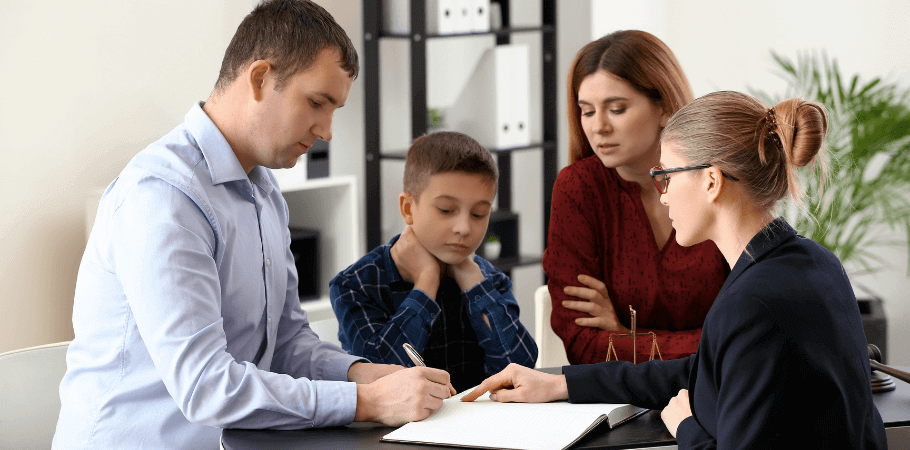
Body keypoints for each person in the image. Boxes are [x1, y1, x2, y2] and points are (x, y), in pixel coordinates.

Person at [53, 2, 452, 449]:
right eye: (317, 103)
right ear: (260, 78)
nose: (327, 130)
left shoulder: (263, 192)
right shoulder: (163, 198)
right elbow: (206, 387)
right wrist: (365, 400)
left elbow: (285, 343)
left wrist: (361, 373)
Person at [463, 91, 888, 449]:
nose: (661, 195)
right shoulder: (817, 263)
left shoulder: (751, 302)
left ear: (711, 181)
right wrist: (562, 384)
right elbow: (703, 371)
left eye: (666, 175)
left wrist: (684, 426)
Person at [544, 30, 727, 365]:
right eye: (587, 111)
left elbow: (742, 341)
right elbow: (583, 346)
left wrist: (627, 336)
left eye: (616, 109)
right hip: (618, 402)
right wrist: (685, 347)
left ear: (664, 108)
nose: (598, 127)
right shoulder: (578, 188)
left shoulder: (716, 182)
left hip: (718, 395)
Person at [330, 131, 538, 393]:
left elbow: (521, 370)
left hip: (478, 429)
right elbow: (381, 377)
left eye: (478, 213)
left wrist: (474, 284)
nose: (463, 228)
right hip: (392, 432)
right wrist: (426, 281)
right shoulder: (356, 285)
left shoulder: (489, 281)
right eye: (446, 210)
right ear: (408, 208)